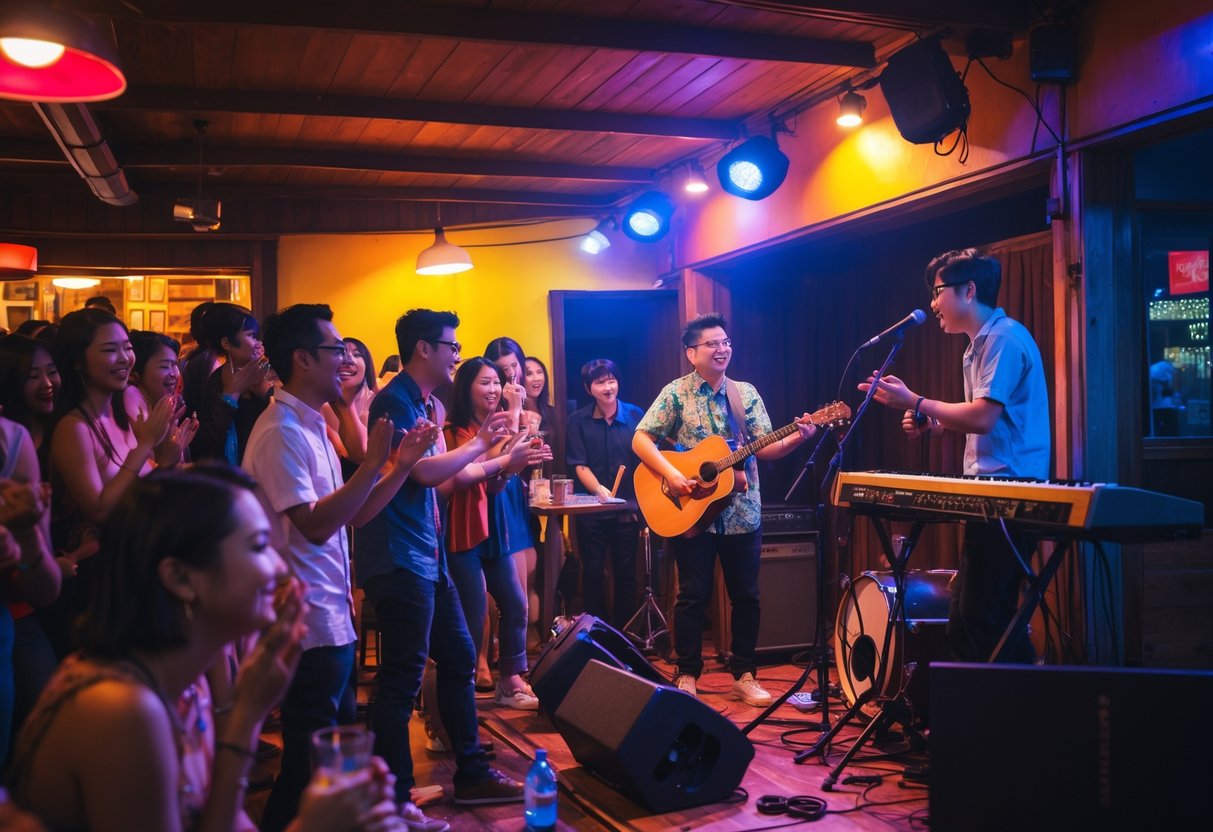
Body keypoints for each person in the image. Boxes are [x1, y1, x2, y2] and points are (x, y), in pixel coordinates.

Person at [6, 465, 406, 832]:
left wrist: (248, 713)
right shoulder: (123, 710)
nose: (280, 568)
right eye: (258, 545)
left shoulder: (187, 683)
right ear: (180, 577)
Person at [242, 304, 440, 832]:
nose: (347, 359)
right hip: (302, 616)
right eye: (337, 350)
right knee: (307, 768)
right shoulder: (281, 431)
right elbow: (311, 525)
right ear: (303, 359)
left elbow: (355, 515)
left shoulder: (310, 426)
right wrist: (376, 461)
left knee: (325, 762)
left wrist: (398, 465)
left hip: (330, 611)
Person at [355, 309, 528, 808]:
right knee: (401, 677)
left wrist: (487, 450)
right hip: (397, 555)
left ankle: (471, 773)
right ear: (424, 349)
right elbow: (424, 474)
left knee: (455, 656)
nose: (457, 354)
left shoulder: (426, 402)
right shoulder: (393, 401)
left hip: (425, 556)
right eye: (450, 346)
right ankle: (395, 795)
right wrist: (481, 444)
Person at [860, 247, 1050, 664]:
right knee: (967, 616)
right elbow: (991, 419)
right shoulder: (978, 345)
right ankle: (984, 717)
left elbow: (983, 418)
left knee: (982, 618)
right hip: (991, 494)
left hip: (1011, 494)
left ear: (968, 290)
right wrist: (936, 423)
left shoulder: (1002, 339)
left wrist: (916, 400)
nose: (932, 303)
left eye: (938, 290)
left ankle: (1014, 716)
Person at [632, 313, 816, 706]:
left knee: (746, 595)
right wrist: (672, 475)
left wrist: (799, 439)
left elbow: (764, 448)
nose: (722, 349)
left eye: (726, 342)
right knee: (692, 596)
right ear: (691, 353)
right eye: (713, 344)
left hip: (742, 511)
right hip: (691, 510)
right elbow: (641, 439)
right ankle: (687, 673)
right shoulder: (676, 393)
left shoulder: (744, 393)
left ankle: (745, 674)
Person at [45, 309, 177, 655]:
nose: (124, 359)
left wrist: (166, 460)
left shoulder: (121, 417)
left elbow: (138, 493)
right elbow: (99, 508)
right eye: (109, 350)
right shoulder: (73, 427)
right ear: (77, 360)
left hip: (136, 566)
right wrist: (146, 445)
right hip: (97, 584)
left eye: (127, 347)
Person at [440, 358, 548, 710]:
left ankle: (511, 679)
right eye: (484, 383)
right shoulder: (452, 430)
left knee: (516, 604)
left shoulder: (498, 426)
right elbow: (466, 473)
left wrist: (514, 466)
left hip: (494, 530)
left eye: (496, 383)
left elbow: (496, 484)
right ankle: (460, 691)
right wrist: (508, 456)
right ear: (466, 388)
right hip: (463, 531)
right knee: (472, 613)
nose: (493, 390)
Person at [565, 359, 644, 629]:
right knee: (593, 573)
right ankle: (596, 633)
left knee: (626, 573)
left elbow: (647, 459)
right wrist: (599, 490)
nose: (608, 387)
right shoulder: (577, 421)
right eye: (600, 382)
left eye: (611, 380)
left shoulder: (636, 415)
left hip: (627, 510)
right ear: (589, 389)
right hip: (592, 509)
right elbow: (579, 464)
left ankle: (625, 634)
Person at [482, 338, 542, 654]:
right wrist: (513, 409)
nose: (510, 376)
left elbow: (525, 454)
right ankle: (487, 649)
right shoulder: (490, 399)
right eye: (502, 370)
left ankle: (515, 650)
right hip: (495, 489)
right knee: (499, 577)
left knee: (527, 569)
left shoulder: (531, 403)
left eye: (514, 366)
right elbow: (502, 451)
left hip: (517, 491)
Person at [191, 304, 271, 465]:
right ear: (227, 343)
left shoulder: (267, 374)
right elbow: (208, 441)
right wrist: (231, 394)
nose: (259, 343)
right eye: (252, 336)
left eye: (258, 337)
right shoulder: (216, 382)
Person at [322, 337, 378, 465]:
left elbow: (363, 455)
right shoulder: (321, 405)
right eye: (341, 353)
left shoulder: (377, 403)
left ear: (367, 365)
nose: (348, 360)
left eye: (357, 354)